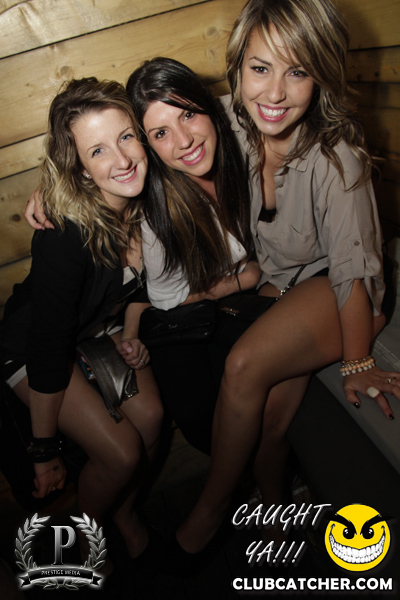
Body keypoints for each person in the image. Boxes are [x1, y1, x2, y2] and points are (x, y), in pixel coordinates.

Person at [173, 0, 400, 557]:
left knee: (243, 366)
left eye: (297, 71)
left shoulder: (338, 158)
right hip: (277, 285)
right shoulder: (223, 121)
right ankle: (275, 506)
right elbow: (146, 128)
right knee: (271, 419)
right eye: (260, 68)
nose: (274, 93)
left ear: (320, 75)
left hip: (335, 285)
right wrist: (64, 189)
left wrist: (358, 361)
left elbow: (353, 271)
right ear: (238, 67)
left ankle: (209, 509)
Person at [0, 77, 163, 568]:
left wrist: (131, 331)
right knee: (121, 453)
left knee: (151, 420)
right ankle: (80, 546)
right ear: (81, 169)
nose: (123, 159)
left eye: (126, 136)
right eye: (98, 150)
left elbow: (146, 284)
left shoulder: (154, 200)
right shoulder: (63, 232)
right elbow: (47, 345)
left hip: (94, 331)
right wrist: (43, 450)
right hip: (32, 348)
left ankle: (122, 510)